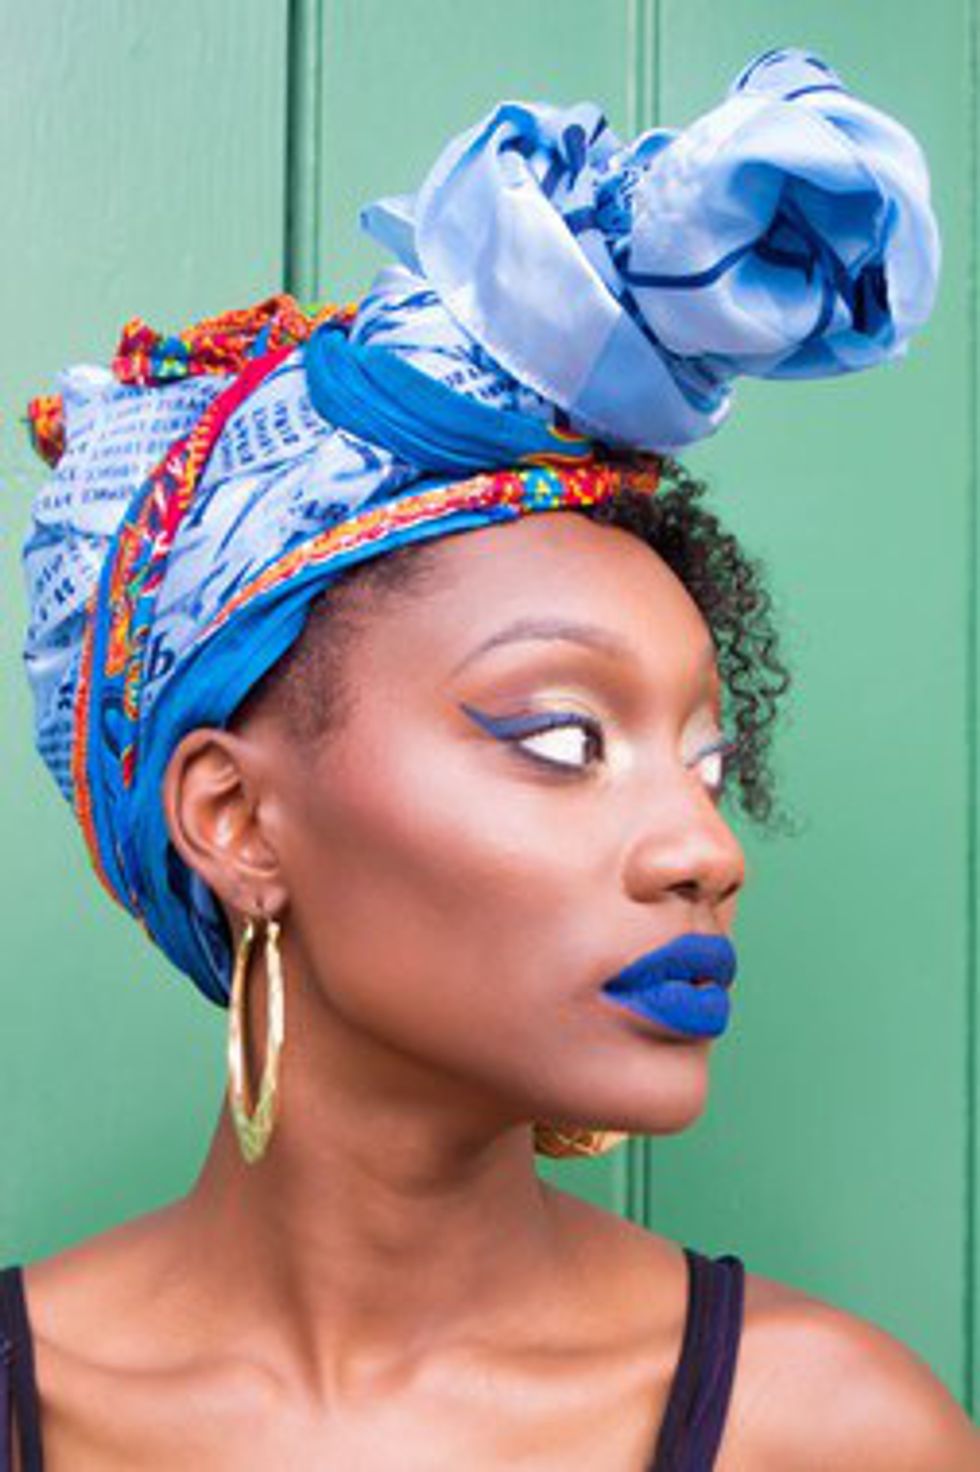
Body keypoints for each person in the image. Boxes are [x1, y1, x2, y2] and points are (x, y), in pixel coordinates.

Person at [3, 44, 975, 1470]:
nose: (706, 852)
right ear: (235, 817)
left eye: (706, 765)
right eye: (562, 739)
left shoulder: (836, 1434)